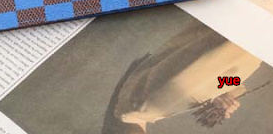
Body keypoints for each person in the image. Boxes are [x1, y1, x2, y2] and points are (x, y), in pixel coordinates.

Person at [102, 22, 262, 133]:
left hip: (251, 31)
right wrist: (225, 95)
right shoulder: (132, 103)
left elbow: (219, 56)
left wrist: (226, 92)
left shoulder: (150, 105)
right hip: (237, 30)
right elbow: (211, 73)